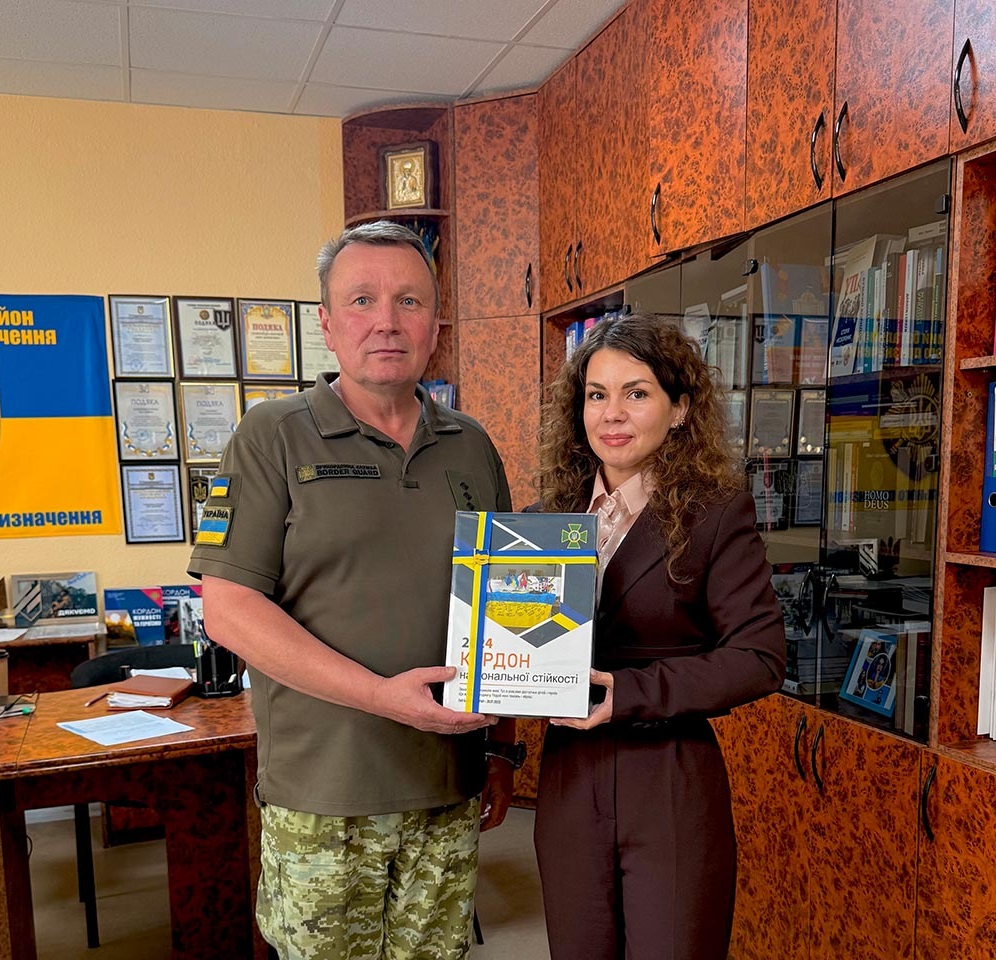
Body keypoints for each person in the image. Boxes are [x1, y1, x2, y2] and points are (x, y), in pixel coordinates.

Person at [187, 220, 517, 960]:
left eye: (409, 300)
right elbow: (229, 611)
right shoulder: (269, 436)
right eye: (362, 300)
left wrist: (503, 751)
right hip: (324, 797)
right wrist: (381, 696)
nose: (387, 321)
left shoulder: (471, 445)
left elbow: (504, 602)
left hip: (447, 784)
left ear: (437, 324)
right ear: (328, 325)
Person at [532, 313, 786, 960]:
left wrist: (629, 692)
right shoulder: (543, 521)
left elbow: (758, 658)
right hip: (570, 778)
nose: (612, 414)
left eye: (636, 393)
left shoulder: (715, 514)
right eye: (597, 395)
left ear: (680, 410)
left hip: (669, 774)